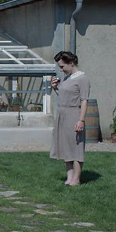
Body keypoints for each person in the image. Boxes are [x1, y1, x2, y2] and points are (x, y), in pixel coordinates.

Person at [49, 51, 90, 186]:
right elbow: (64, 95)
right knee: (66, 147)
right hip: (62, 114)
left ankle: (76, 179)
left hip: (74, 115)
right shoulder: (67, 78)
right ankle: (69, 177)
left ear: (71, 63)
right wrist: (55, 88)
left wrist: (81, 120)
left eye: (62, 66)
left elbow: (84, 100)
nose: (61, 69)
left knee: (76, 147)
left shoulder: (82, 79)